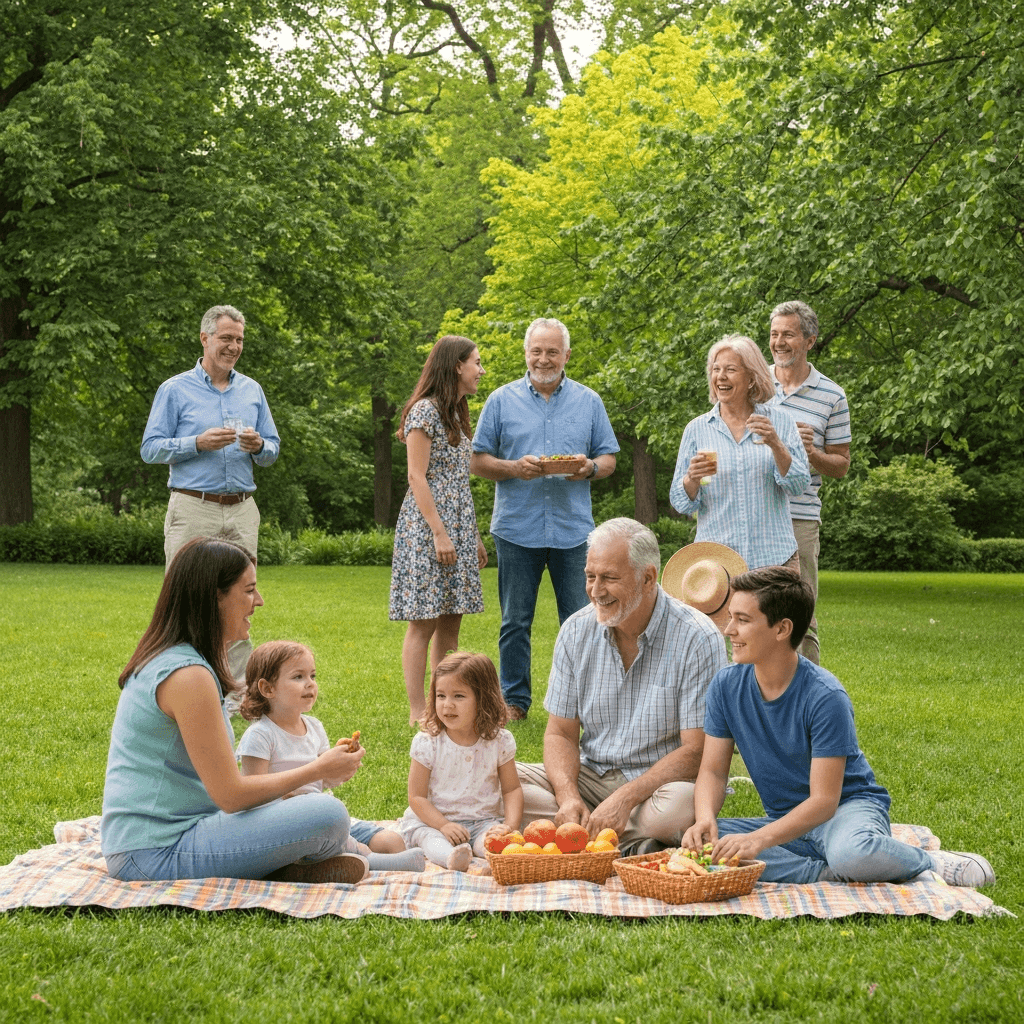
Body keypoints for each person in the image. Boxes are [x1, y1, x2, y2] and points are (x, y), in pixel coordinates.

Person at [682, 566, 996, 887]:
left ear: (782, 629)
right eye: (731, 617)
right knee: (692, 842)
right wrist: (706, 818)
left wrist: (758, 841)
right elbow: (714, 771)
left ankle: (930, 862)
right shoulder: (725, 685)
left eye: (743, 620)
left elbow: (824, 801)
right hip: (786, 824)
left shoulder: (824, 695)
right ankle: (825, 873)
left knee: (852, 852)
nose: (728, 630)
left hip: (845, 811)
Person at [101, 537, 368, 884]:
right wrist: (318, 768)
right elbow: (231, 795)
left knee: (321, 816)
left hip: (171, 838)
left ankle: (288, 867)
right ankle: (288, 864)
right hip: (153, 854)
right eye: (249, 590)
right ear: (215, 596)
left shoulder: (178, 661)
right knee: (328, 814)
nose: (259, 601)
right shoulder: (187, 676)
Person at [516, 518, 728, 858]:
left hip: (657, 788)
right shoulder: (575, 631)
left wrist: (626, 797)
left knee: (681, 808)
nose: (596, 590)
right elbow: (559, 733)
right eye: (590, 576)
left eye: (610, 578)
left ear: (647, 578)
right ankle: (627, 842)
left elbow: (697, 750)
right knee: (496, 781)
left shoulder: (698, 637)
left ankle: (583, 836)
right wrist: (569, 795)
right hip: (589, 775)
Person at [470, 317, 619, 719]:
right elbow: (477, 461)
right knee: (515, 621)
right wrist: (514, 468)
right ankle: (514, 702)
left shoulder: (589, 401)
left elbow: (608, 459)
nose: (544, 358)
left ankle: (583, 702)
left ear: (566, 355)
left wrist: (588, 467)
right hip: (518, 527)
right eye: (537, 350)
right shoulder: (500, 400)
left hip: (573, 530)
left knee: (583, 619)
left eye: (552, 351)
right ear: (526, 353)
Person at [236, 640, 425, 873]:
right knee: (352, 845)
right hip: (290, 825)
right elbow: (253, 794)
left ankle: (352, 859)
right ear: (268, 689)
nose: (310, 684)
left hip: (323, 816)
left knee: (391, 841)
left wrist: (342, 767)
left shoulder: (314, 727)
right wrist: (287, 796)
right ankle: (371, 862)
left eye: (312, 676)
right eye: (298, 677)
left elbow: (324, 780)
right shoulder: (260, 735)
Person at [389, 335, 488, 726]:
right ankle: (417, 712)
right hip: (427, 527)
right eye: (476, 363)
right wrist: (439, 533)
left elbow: (460, 482)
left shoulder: (458, 413)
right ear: (456, 366)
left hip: (458, 525)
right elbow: (417, 476)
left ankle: (440, 705)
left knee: (451, 619)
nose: (481, 371)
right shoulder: (424, 411)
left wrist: (473, 535)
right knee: (424, 621)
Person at [141, 304, 280, 569]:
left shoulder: (253, 390)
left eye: (239, 340)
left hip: (243, 511)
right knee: (186, 598)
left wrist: (260, 446)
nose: (234, 346)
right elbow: (150, 449)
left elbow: (271, 450)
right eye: (226, 338)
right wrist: (197, 443)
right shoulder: (174, 390)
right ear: (205, 338)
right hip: (194, 508)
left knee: (240, 598)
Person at [670, 334, 810, 570]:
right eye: (716, 369)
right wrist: (691, 479)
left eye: (730, 369)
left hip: (774, 560)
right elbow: (681, 503)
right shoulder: (697, 429)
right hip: (718, 565)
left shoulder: (780, 422)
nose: (720, 377)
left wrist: (776, 444)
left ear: (752, 378)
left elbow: (798, 486)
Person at [767, 300, 851, 665]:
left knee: (800, 618)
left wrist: (811, 453)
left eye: (788, 334)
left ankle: (808, 708)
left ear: (810, 340)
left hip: (799, 518)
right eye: (774, 334)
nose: (779, 342)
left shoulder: (832, 395)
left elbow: (841, 465)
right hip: (751, 514)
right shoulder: (753, 386)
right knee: (741, 614)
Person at [398, 652, 524, 871]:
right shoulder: (428, 742)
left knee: (493, 844)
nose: (447, 705)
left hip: (484, 821)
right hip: (435, 822)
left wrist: (509, 827)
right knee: (430, 840)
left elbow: (512, 790)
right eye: (441, 696)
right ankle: (452, 858)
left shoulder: (499, 741)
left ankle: (490, 859)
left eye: (458, 696)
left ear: (483, 698)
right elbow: (416, 797)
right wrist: (444, 825)